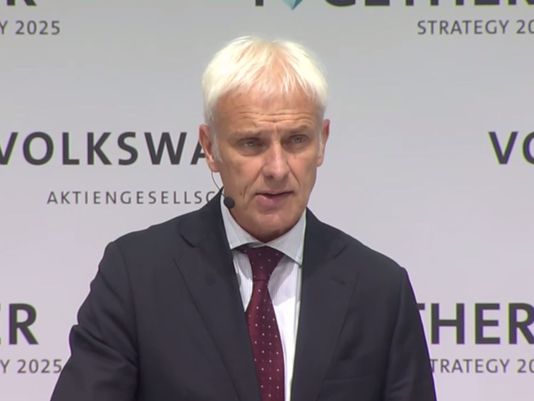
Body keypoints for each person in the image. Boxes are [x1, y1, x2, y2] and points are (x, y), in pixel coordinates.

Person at [51, 36, 437, 401]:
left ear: (322, 141)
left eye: (296, 140)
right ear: (210, 148)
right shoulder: (136, 274)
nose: (277, 168)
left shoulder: (380, 289)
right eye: (252, 143)